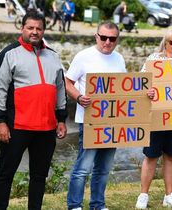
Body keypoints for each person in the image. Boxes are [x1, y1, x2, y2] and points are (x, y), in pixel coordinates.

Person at [0, 11, 67, 209]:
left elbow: (60, 88)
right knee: (5, 174)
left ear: (44, 30)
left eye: (39, 28)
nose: (35, 32)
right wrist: (0, 121)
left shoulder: (53, 56)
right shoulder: (9, 53)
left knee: (39, 176)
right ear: (23, 28)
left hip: (46, 129)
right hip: (16, 126)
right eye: (31, 28)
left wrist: (61, 119)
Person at [65, 21, 126, 210]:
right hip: (90, 121)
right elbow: (67, 82)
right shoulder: (83, 56)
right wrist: (79, 97)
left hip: (113, 123)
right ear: (96, 36)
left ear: (117, 40)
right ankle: (74, 205)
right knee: (83, 167)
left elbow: (126, 89)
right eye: (104, 37)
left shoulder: (120, 59)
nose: (107, 42)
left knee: (104, 169)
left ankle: (98, 204)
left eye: (112, 39)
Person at [135, 28, 172, 209]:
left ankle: (169, 195)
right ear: (165, 43)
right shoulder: (154, 60)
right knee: (151, 156)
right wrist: (147, 91)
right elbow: (140, 84)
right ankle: (143, 194)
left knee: (171, 156)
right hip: (156, 116)